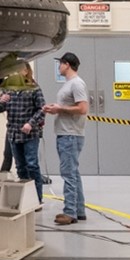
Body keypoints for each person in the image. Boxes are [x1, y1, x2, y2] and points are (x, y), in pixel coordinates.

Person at [44, 52, 90, 225]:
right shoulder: (70, 84)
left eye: (60, 64)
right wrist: (55, 108)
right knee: (73, 173)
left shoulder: (77, 84)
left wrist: (59, 109)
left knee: (68, 174)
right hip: (66, 133)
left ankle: (70, 212)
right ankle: (79, 210)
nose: (58, 67)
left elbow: (83, 108)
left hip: (70, 134)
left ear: (67, 65)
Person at [0, 66, 47, 205]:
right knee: (20, 167)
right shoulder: (9, 88)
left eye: (20, 70)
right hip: (13, 133)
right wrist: (1, 101)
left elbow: (42, 109)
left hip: (29, 134)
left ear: (27, 72)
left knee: (32, 165)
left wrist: (31, 123)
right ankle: (26, 198)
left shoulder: (34, 88)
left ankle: (37, 199)